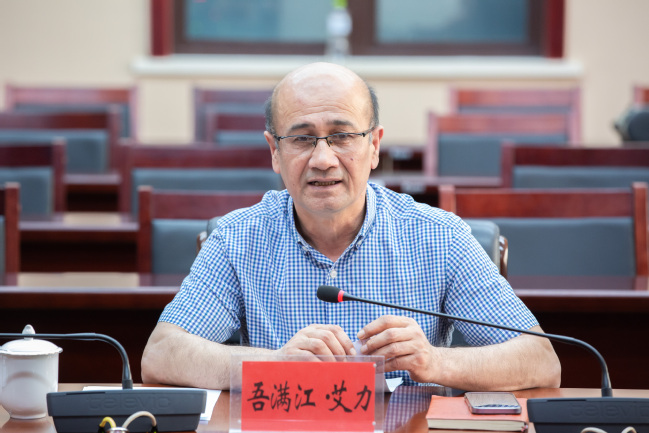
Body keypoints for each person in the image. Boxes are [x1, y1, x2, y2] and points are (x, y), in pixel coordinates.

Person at [141, 62, 561, 391]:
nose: (323, 160)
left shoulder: (439, 237)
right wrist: (273, 363)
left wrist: (435, 361)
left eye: (342, 136)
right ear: (274, 152)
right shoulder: (238, 238)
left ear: (374, 146)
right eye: (302, 139)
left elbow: (540, 360)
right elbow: (161, 355)